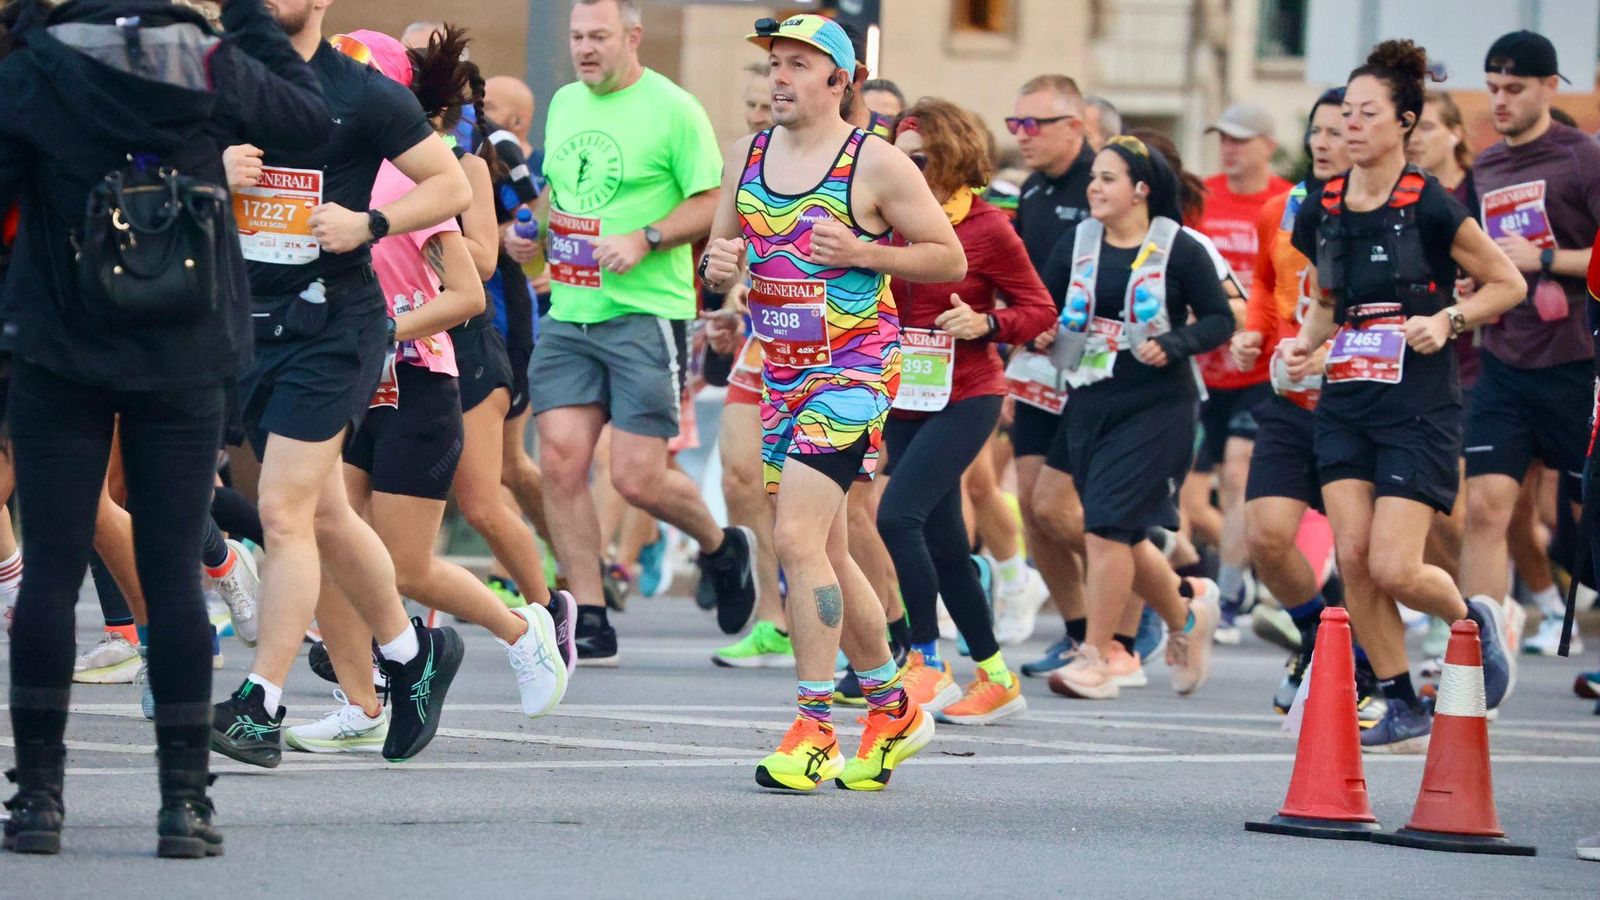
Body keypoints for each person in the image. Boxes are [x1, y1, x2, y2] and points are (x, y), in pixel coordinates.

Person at [0, 0, 330, 858]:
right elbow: (308, 120)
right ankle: (184, 804)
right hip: (185, 343)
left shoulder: (35, 62)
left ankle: (37, 799)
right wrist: (254, 20)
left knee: (50, 573)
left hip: (59, 343)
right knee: (177, 574)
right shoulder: (210, 59)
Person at [283, 27, 569, 754]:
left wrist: (388, 330)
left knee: (406, 565)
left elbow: (469, 295)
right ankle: (360, 699)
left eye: (346, 74)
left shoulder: (412, 178)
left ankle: (522, 632)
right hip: (349, 384)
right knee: (323, 532)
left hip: (418, 385)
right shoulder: (320, 165)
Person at [701, 13, 967, 790]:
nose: (777, 78)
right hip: (782, 368)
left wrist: (863, 252)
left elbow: (945, 255)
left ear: (837, 81)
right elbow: (723, 266)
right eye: (773, 64)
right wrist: (719, 267)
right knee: (827, 548)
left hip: (852, 370)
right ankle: (891, 705)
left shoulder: (874, 163)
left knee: (794, 539)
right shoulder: (749, 153)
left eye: (796, 65)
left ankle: (815, 725)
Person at [211, 0, 475, 769]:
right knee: (323, 512)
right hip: (250, 327)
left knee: (283, 510)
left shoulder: (361, 92)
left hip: (336, 327)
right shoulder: (221, 81)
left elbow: (449, 185)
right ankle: (411, 651)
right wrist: (210, 169)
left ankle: (261, 704)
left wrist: (370, 224)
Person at [1281, 38, 1523, 752]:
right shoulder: (1320, 205)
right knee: (1352, 559)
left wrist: (1448, 319)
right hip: (1347, 395)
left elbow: (1506, 281)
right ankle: (1399, 698)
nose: (1350, 125)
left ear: (1404, 123)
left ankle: (1472, 622)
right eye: (1343, 112)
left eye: (1366, 113)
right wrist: (1304, 344)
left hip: (1418, 401)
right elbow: (1328, 298)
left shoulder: (1430, 204)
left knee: (1392, 563)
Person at [535, 0, 756, 666]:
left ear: (632, 38)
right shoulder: (566, 103)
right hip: (571, 310)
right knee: (560, 462)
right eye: (577, 37)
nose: (585, 49)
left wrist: (648, 236)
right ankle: (591, 611)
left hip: (646, 311)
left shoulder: (674, 108)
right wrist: (531, 231)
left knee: (637, 478)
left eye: (599, 36)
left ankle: (722, 548)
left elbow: (714, 201)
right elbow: (560, 197)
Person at [1036, 135, 1230, 698]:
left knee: (1105, 528)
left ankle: (1098, 656)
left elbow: (1221, 320)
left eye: (1108, 178)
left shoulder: (1180, 248)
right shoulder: (1077, 243)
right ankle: (1185, 615)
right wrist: (1040, 329)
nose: (1094, 187)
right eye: (1093, 177)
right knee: (1115, 529)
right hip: (1091, 401)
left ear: (1141, 189)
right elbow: (1046, 308)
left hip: (1159, 406)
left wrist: (1175, 342)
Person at [881, 99, 1055, 723]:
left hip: (970, 391)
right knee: (945, 541)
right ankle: (997, 676)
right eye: (896, 158)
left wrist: (986, 322)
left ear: (950, 159)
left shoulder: (987, 227)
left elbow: (1039, 309)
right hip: (903, 393)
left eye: (918, 159)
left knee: (897, 515)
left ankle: (925, 660)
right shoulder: (886, 221)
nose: (905, 169)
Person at [1232, 88, 1379, 716]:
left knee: (1359, 549)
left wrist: (1337, 349)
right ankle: (1320, 638)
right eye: (1315, 132)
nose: (1322, 143)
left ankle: (1370, 663)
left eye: (1336, 132)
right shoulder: (1282, 209)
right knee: (1267, 535)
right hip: (1291, 395)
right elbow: (1270, 283)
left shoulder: (1383, 213)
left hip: (1362, 398)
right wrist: (1254, 333)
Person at [1459, 30, 1600, 665]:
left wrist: (1546, 257)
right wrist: (1472, 277)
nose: (1500, 101)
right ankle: (1478, 657)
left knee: (1585, 514)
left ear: (1550, 86)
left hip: (1577, 361)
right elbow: (1472, 254)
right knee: (1487, 505)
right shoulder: (1484, 167)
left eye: (1514, 88)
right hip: (1506, 360)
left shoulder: (1582, 158)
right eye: (1492, 89)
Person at [1005, 73, 1095, 670]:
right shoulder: (1032, 190)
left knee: (1067, 508)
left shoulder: (1104, 183)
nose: (1022, 136)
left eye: (1034, 125)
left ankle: (1151, 601)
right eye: (1015, 125)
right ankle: (1080, 626)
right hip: (1039, 362)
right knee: (1035, 509)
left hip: (1094, 366)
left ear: (1075, 127)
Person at [1194, 103, 1292, 644]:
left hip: (1260, 362)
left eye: (1241, 139)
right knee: (1190, 499)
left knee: (1237, 475)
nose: (1229, 148)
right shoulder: (1202, 197)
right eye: (1223, 139)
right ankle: (1249, 572)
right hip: (1204, 366)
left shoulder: (1286, 201)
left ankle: (1229, 594)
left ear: (1268, 144)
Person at [706, 59, 788, 669]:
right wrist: (727, 280)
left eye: (771, 104)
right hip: (762, 340)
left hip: (835, 350)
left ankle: (893, 627)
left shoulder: (843, 158)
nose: (762, 115)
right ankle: (772, 620)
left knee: (830, 507)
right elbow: (723, 251)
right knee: (741, 477)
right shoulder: (745, 158)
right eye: (755, 106)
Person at [1407, 89, 1479, 664]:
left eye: (1429, 126)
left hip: (1478, 363)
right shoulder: (1399, 192)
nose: (1417, 138)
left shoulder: (1470, 195)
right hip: (1414, 364)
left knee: (1461, 506)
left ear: (1455, 132)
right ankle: (1446, 611)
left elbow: (1507, 272)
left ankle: (1468, 611)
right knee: (1426, 500)